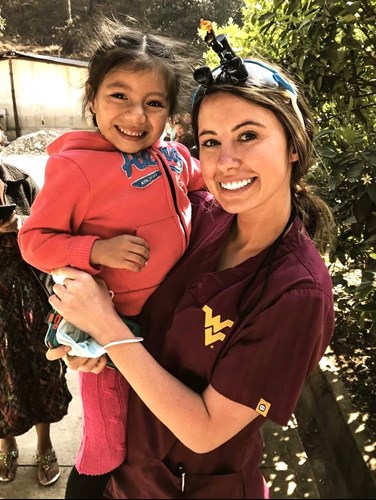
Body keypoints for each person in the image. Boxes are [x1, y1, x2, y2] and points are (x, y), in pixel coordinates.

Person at [45, 20, 336, 500]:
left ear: (293, 146)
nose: (225, 162)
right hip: (128, 477)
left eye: (248, 136)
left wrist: (111, 331)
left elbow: (204, 430)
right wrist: (94, 345)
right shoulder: (199, 215)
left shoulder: (295, 292)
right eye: (210, 141)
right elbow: (143, 325)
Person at [18, 18, 203, 495]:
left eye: (154, 103)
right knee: (106, 443)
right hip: (108, 329)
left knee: (152, 428)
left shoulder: (174, 157)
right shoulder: (76, 167)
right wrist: (96, 249)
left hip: (164, 321)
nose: (137, 116)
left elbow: (207, 186)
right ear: (93, 98)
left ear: (170, 115)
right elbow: (34, 241)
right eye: (119, 96)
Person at [0, 161, 72, 485]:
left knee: (42, 369)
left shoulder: (22, 180)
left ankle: (45, 443)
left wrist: (22, 224)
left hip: (29, 294)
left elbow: (53, 231)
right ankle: (6, 443)